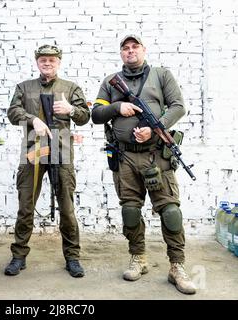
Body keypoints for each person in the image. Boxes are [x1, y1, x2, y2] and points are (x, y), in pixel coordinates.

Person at [91, 34, 196, 294]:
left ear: (143, 50)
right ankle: (139, 257)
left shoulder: (161, 75)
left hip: (157, 155)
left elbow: (178, 107)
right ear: (121, 53)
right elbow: (95, 114)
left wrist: (152, 127)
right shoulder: (110, 82)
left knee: (170, 211)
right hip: (125, 156)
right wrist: (118, 107)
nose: (130, 51)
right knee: (130, 210)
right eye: (125, 48)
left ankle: (177, 266)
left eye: (134, 46)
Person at [5, 44, 90, 277]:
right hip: (33, 148)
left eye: (52, 60)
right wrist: (32, 119)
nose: (47, 63)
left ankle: (72, 257)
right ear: (37, 62)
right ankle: (19, 256)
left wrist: (72, 109)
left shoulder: (71, 88)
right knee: (26, 205)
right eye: (43, 59)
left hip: (61, 148)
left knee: (67, 207)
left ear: (59, 62)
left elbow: (84, 117)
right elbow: (13, 112)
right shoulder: (24, 87)